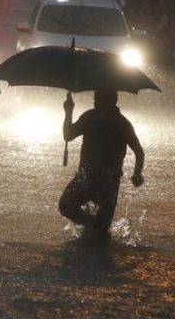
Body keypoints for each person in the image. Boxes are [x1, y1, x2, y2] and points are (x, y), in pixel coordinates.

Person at [58, 90, 145, 239]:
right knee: (66, 205)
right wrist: (68, 111)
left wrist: (137, 173)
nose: (96, 103)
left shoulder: (121, 124)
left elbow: (139, 152)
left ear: (112, 101)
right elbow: (68, 135)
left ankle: (94, 233)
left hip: (108, 182)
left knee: (101, 232)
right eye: (96, 100)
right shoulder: (90, 118)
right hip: (87, 178)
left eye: (100, 100)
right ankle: (89, 224)